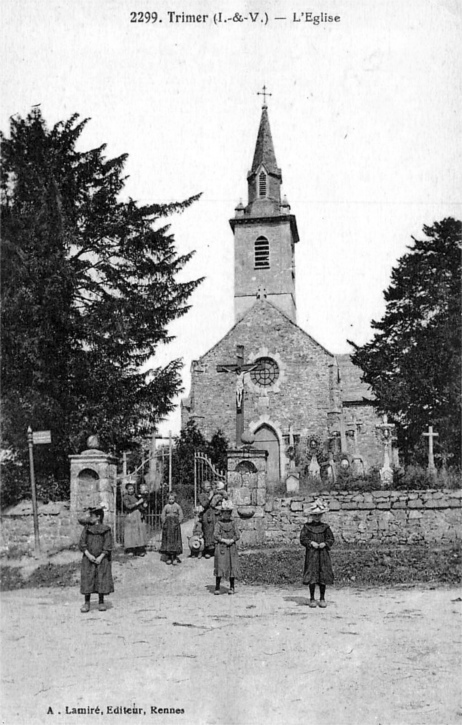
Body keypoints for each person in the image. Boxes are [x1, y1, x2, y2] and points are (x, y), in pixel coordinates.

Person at [79, 504, 114, 613]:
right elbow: (82, 543)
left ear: (98, 517)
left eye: (92, 516)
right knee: (88, 578)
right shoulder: (87, 528)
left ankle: (101, 601)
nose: (90, 518)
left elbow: (108, 544)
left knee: (101, 578)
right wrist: (88, 555)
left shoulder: (106, 529)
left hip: (102, 559)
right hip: (88, 558)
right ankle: (87, 602)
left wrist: (101, 556)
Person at [300, 499, 334, 608]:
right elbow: (303, 539)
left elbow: (331, 539)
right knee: (312, 575)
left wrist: (325, 543)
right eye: (315, 515)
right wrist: (311, 543)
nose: (317, 517)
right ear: (311, 516)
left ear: (322, 515)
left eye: (319, 515)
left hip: (323, 555)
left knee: (322, 575)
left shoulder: (325, 527)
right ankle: (312, 598)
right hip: (312, 554)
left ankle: (322, 598)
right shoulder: (307, 527)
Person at [213, 499, 240, 595]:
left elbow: (237, 535)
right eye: (224, 513)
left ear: (230, 513)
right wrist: (224, 540)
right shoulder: (219, 523)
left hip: (231, 547)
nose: (226, 515)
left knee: (232, 566)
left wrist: (232, 540)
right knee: (220, 566)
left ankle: (232, 587)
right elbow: (215, 535)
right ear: (221, 513)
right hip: (221, 547)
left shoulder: (233, 523)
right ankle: (217, 586)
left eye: (228, 513)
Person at [123, 482, 147, 556]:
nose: (131, 490)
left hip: (138, 515)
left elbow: (142, 502)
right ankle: (131, 550)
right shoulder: (126, 497)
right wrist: (138, 503)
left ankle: (139, 550)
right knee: (131, 533)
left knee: (138, 532)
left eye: (132, 488)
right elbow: (128, 506)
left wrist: (144, 504)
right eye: (129, 489)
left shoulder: (137, 496)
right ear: (127, 490)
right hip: (131, 515)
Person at [160, 492, 184, 565]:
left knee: (175, 540)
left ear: (175, 499)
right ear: (167, 499)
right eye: (169, 499)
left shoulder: (177, 506)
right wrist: (164, 522)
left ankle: (174, 557)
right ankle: (169, 557)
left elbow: (181, 514)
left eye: (172, 499)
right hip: (168, 526)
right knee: (168, 540)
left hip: (175, 525)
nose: (171, 500)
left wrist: (179, 521)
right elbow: (163, 514)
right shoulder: (166, 506)